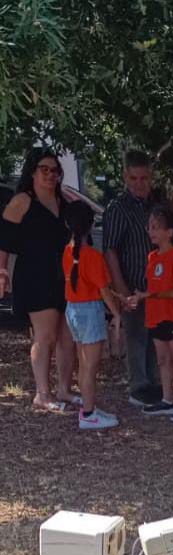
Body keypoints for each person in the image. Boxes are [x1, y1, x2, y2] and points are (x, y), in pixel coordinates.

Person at [0, 147, 77, 412]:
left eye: (55, 170)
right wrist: (2, 272)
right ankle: (42, 394)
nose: (50, 175)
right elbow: (4, 242)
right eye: (44, 169)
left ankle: (64, 389)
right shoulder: (22, 200)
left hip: (63, 277)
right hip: (34, 274)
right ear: (33, 172)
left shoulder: (63, 202)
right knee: (45, 336)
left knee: (68, 337)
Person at [129, 206, 173, 422]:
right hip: (155, 316)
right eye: (149, 227)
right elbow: (151, 290)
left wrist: (153, 295)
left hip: (171, 316)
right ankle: (168, 400)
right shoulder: (152, 257)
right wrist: (140, 297)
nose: (151, 232)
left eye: (156, 228)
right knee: (162, 359)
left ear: (169, 232)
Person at [103, 150, 161, 407]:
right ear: (125, 177)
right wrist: (122, 289)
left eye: (144, 178)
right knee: (136, 335)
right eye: (134, 178)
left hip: (157, 286)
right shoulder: (117, 208)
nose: (140, 183)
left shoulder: (156, 207)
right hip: (133, 283)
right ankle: (138, 385)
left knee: (155, 335)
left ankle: (155, 383)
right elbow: (110, 250)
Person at [62, 201, 122, 430]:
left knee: (83, 363)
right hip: (89, 310)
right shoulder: (93, 256)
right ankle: (87, 414)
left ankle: (88, 408)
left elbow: (87, 283)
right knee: (90, 367)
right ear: (91, 224)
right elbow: (103, 290)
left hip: (73, 310)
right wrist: (116, 313)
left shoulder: (67, 253)